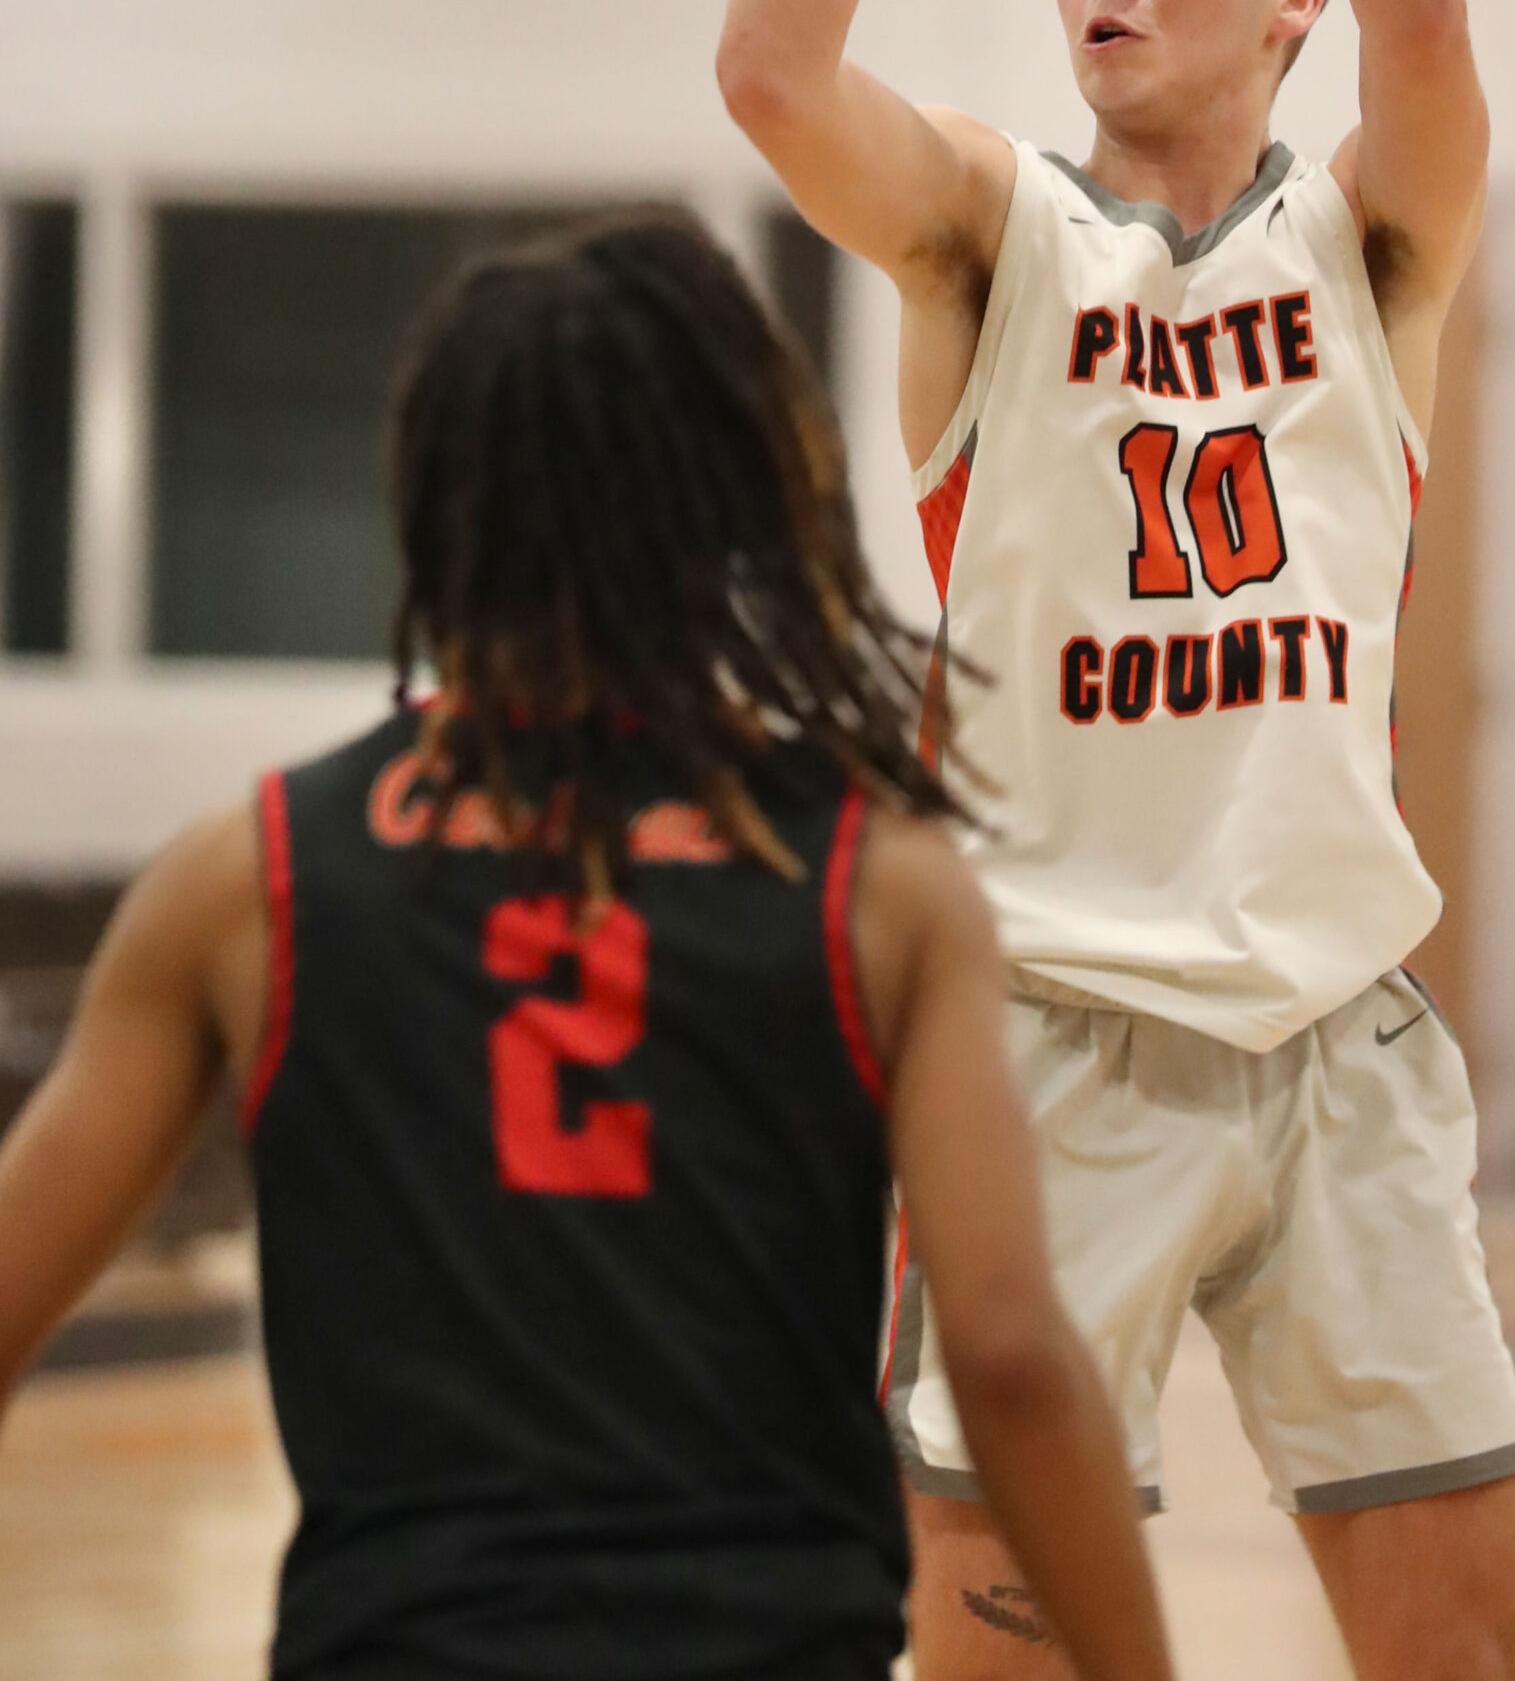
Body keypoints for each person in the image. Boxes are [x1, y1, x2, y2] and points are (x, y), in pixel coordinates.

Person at [718, 0, 1515, 1681]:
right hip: (1052, 1040)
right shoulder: (996, 233)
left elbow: (1436, 12)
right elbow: (771, 71)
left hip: (1341, 1033)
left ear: (1290, 4)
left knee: (1462, 1656)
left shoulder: (1371, 242)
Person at [0, 212, 1173, 1681]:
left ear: (433, 504)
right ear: (741, 504)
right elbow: (1006, 1356)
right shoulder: (875, 887)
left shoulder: (248, 881)